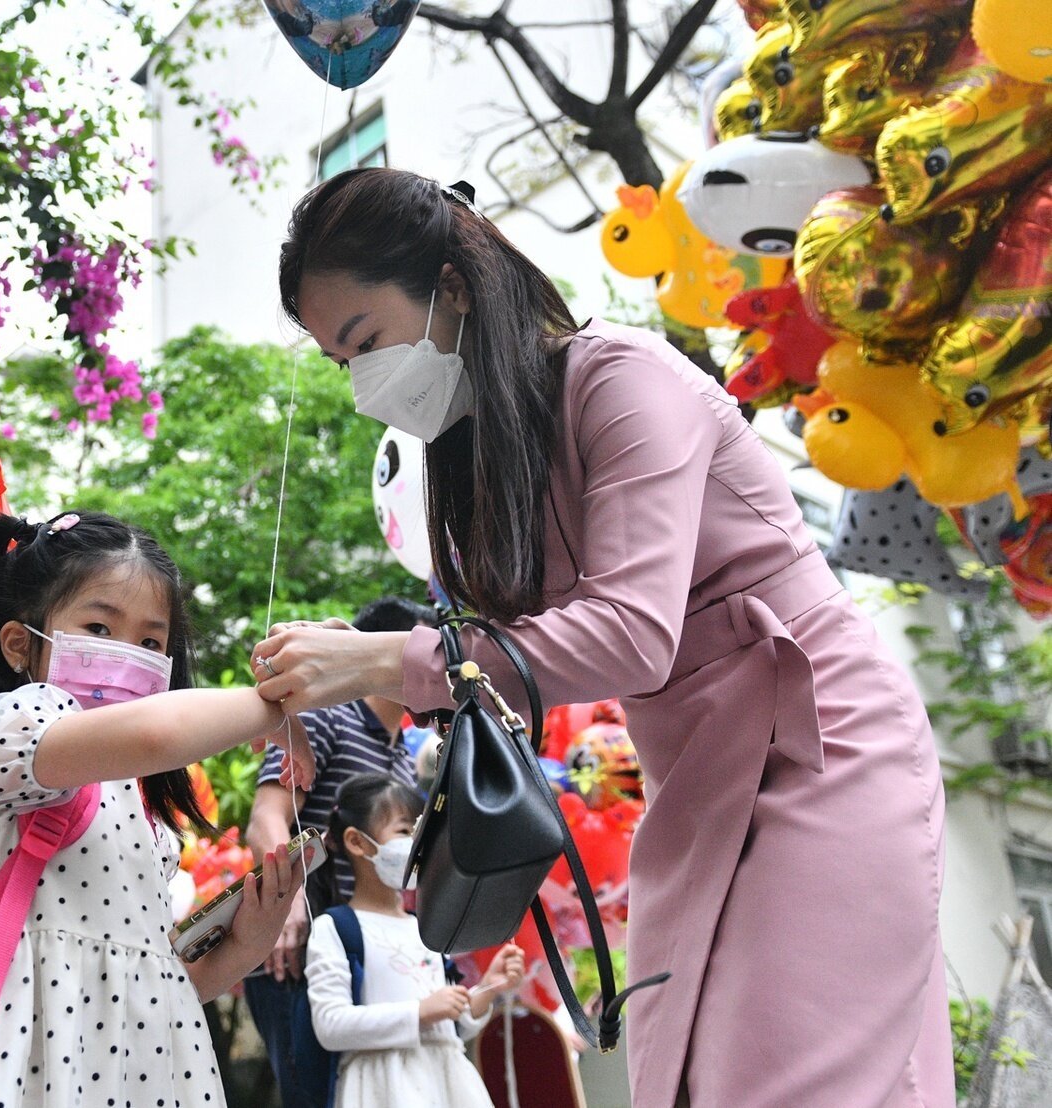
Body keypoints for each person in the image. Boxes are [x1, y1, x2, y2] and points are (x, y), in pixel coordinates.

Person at [252, 166, 953, 1108]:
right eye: (340, 363)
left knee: (799, 1076)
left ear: (452, 287)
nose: (360, 383)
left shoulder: (621, 376)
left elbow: (628, 633)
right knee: (702, 1079)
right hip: (694, 780)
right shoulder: (474, 464)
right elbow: (510, 664)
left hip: (819, 747)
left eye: (363, 341)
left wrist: (381, 659)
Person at [0, 510, 316, 1107]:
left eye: (152, 642)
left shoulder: (141, 805)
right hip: (22, 1075)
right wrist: (277, 709)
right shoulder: (6, 727)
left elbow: (157, 982)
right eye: (100, 628)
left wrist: (245, 945)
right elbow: (158, 735)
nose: (130, 656)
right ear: (20, 645)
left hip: (147, 1077)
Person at [242, 595, 434, 1101]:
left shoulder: (400, 757)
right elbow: (266, 820)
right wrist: (287, 909)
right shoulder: (329, 719)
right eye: (426, 653)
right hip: (297, 950)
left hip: (353, 950)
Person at [304, 774, 523, 1108]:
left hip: (449, 1084)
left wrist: (487, 989)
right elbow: (330, 1025)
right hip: (383, 1087)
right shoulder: (335, 927)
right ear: (357, 842)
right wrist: (418, 1012)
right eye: (405, 831)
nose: (417, 843)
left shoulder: (425, 928)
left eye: (420, 832)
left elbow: (450, 1026)